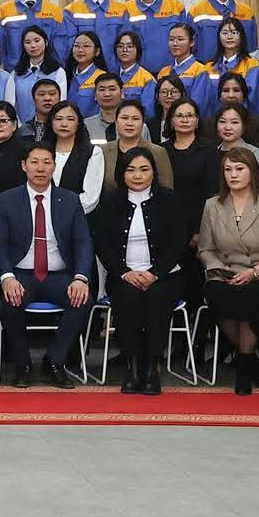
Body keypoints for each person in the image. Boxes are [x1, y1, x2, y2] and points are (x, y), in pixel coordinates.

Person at [0, 142, 96, 387]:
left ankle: (54, 361)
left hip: (59, 275)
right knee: (10, 301)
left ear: (54, 166)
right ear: (24, 166)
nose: (41, 168)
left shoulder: (70, 200)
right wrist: (6, 277)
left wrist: (81, 278)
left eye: (47, 162)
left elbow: (83, 242)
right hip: (21, 274)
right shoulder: (7, 200)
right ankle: (23, 364)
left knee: (83, 300)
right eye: (35, 162)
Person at [92, 148, 192, 395]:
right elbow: (102, 243)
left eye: (144, 169)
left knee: (156, 298)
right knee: (127, 298)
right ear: (121, 173)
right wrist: (124, 272)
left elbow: (179, 241)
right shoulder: (110, 202)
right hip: (124, 275)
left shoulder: (169, 199)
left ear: (153, 172)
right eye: (131, 170)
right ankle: (133, 366)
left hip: (164, 275)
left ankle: (151, 367)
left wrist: (155, 272)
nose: (137, 175)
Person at [197, 145, 259, 394]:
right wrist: (222, 270)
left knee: (250, 297)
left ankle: (243, 367)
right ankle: (250, 361)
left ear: (253, 171)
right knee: (218, 296)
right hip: (225, 272)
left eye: (239, 169)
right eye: (228, 169)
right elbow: (205, 249)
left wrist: (254, 272)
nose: (233, 175)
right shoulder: (212, 205)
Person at [119, 0, 187, 74]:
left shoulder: (176, 7)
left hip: (171, 73)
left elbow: (186, 42)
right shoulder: (125, 9)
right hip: (137, 75)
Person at [42, 101, 103, 212]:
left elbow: (91, 198)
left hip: (77, 216)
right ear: (51, 122)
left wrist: (62, 211)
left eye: (70, 119)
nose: (64, 124)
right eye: (58, 119)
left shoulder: (93, 152)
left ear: (78, 123)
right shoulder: (40, 151)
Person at [187, 0, 254, 60]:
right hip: (205, 67)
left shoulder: (246, 11)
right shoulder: (196, 11)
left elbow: (252, 48)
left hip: (241, 67)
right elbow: (188, 48)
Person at [161, 98, 217, 201]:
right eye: (179, 116)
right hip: (168, 207)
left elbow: (213, 188)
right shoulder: (162, 150)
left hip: (202, 207)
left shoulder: (209, 148)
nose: (185, 120)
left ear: (197, 120)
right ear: (171, 121)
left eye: (190, 116)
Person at [10, 25, 66, 127]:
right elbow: (12, 104)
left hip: (51, 127)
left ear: (46, 42)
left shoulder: (58, 72)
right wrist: (20, 127)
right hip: (21, 128)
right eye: (28, 42)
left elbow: (61, 103)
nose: (33, 45)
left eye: (37, 41)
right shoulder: (16, 73)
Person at [209, 17, 259, 114]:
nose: (229, 37)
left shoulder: (251, 65)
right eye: (225, 33)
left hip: (243, 118)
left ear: (241, 36)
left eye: (234, 32)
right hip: (216, 119)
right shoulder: (209, 67)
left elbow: (257, 101)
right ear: (219, 37)